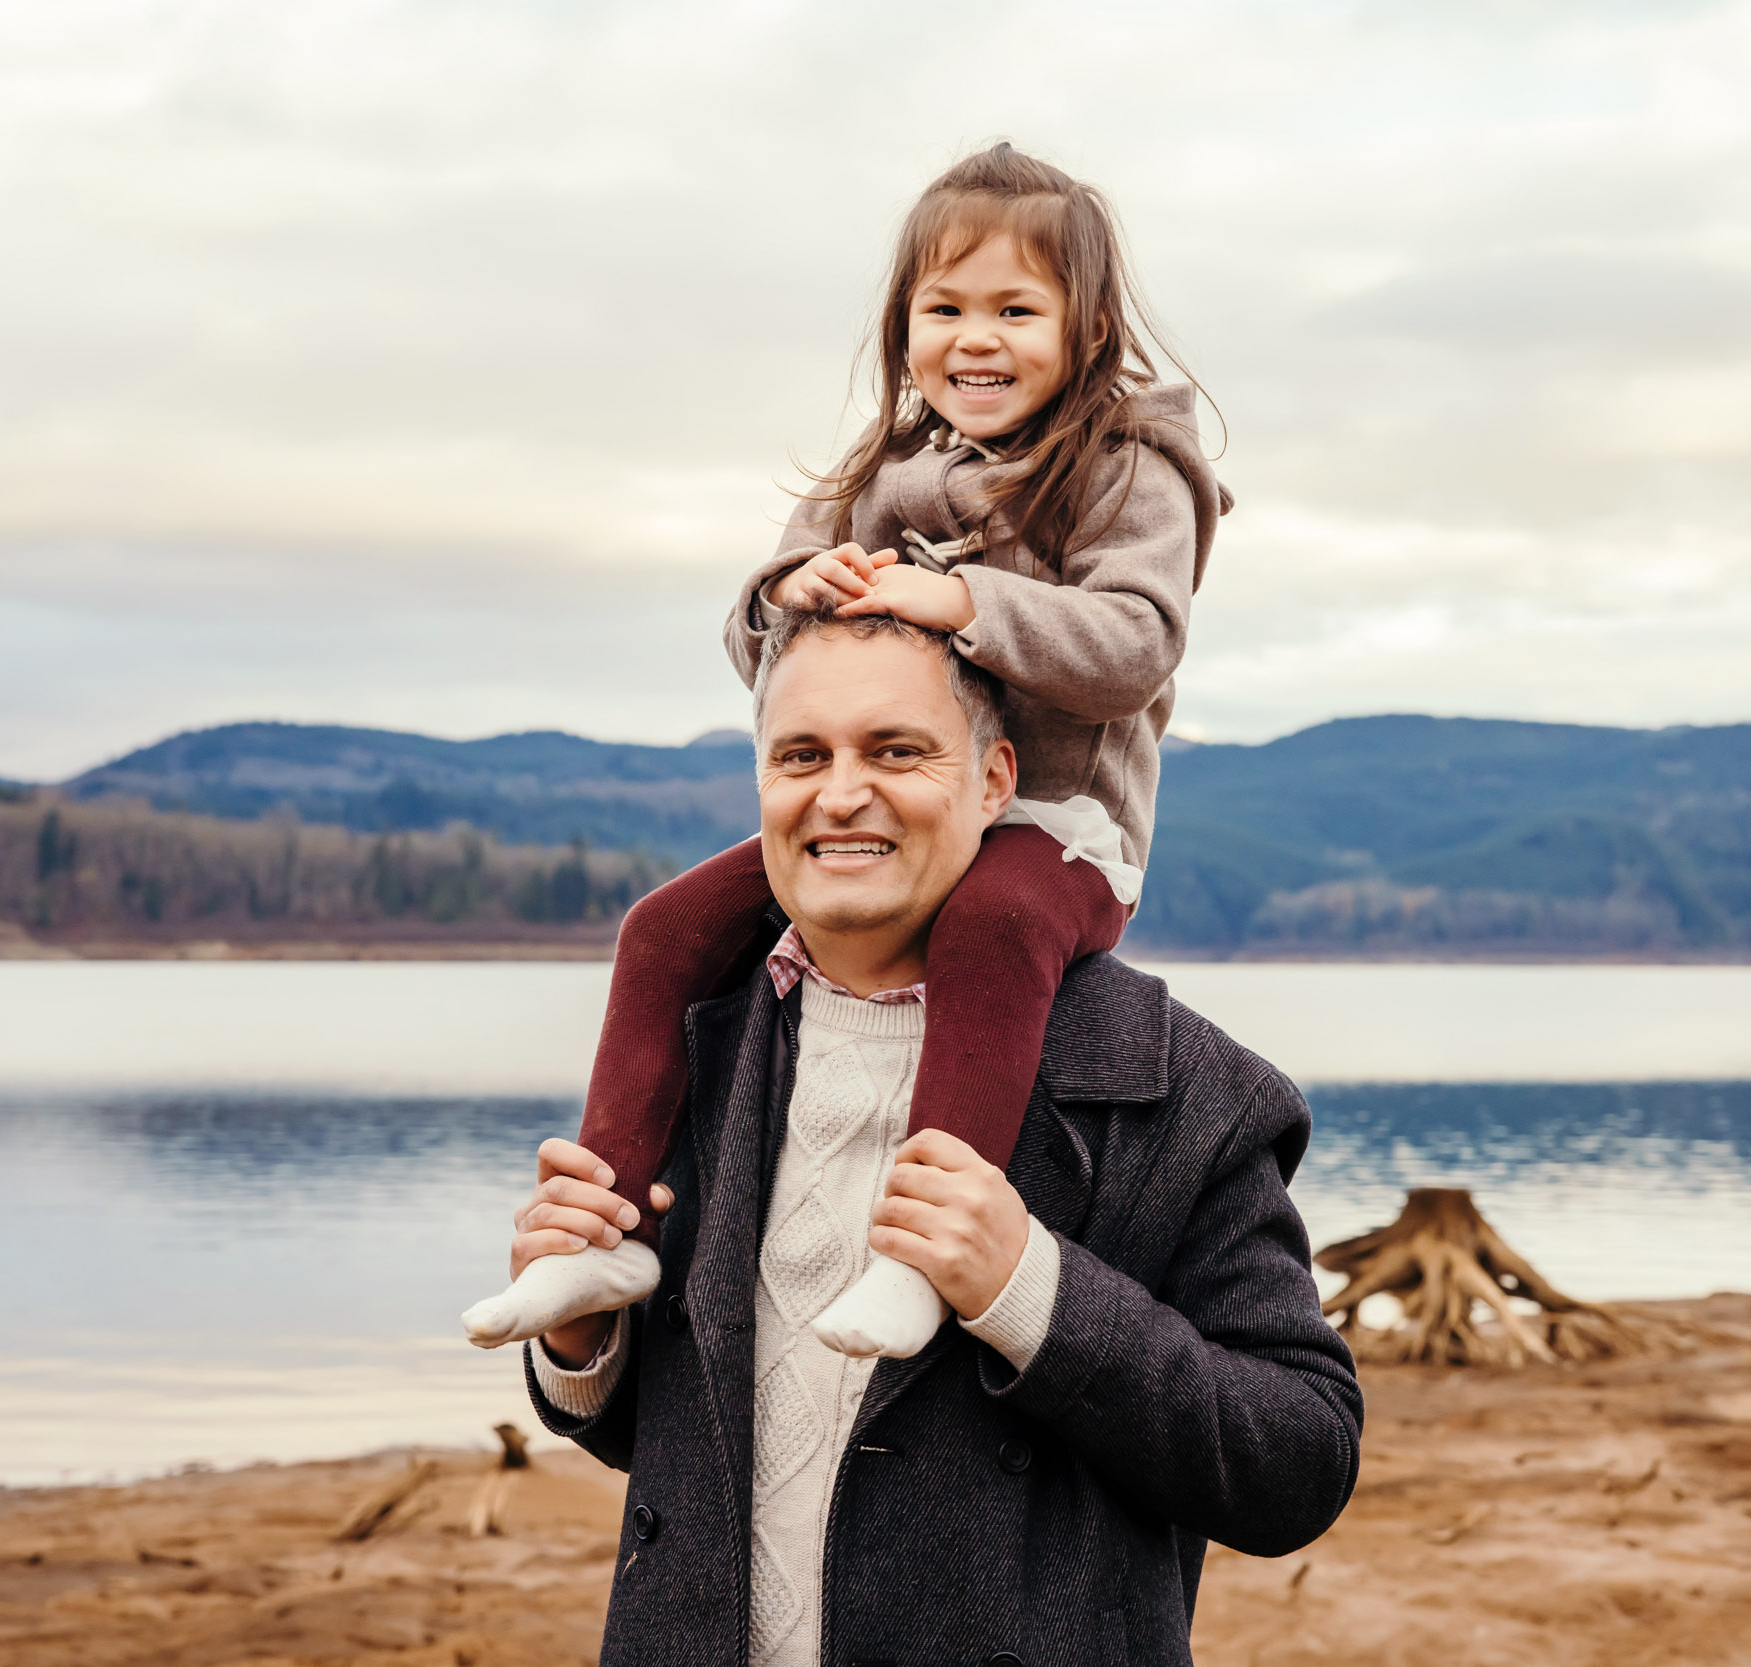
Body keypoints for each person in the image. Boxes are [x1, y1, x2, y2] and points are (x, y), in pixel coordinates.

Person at [464, 140, 1229, 1360]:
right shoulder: (877, 471)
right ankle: (600, 1229)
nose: (976, 338)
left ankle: (920, 1256)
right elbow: (748, 635)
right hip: (880, 824)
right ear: (904, 326)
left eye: (1016, 309)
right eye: (946, 308)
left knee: (989, 926)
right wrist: (788, 590)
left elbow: (1136, 644)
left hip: (1057, 831)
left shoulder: (1129, 466)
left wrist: (963, 600)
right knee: (662, 928)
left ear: (1086, 333)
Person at [506, 607, 1360, 1666]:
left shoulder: (1182, 1085)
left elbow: (1299, 1461)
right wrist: (581, 1347)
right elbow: (695, 1451)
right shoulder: (691, 1048)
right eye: (801, 755)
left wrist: (1032, 1290)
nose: (841, 792)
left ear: (997, 781)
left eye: (897, 750)